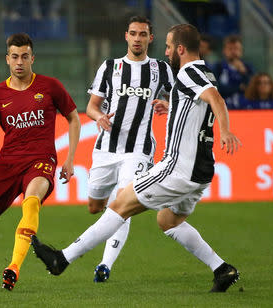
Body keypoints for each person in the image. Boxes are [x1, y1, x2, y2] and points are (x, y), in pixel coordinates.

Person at [32, 24, 242, 293]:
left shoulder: (188, 71)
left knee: (120, 204)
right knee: (168, 221)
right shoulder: (205, 70)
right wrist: (173, 105)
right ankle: (222, 269)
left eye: (168, 46)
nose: (165, 52)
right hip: (200, 171)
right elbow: (201, 101)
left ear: (180, 49)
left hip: (177, 168)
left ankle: (61, 259)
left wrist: (224, 129)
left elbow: (215, 99)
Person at [0, 32, 80, 292]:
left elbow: (73, 118)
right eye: (15, 57)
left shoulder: (50, 87)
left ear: (33, 58)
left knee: (31, 203)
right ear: (7, 59)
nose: (20, 62)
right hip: (8, 163)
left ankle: (14, 267)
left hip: (41, 160)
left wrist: (70, 159)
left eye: (25, 57)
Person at [85, 15, 174, 283]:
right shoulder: (110, 66)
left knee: (122, 203)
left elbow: (180, 100)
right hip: (106, 147)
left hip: (139, 149)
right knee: (94, 206)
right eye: (133, 34)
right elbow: (92, 105)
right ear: (126, 36)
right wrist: (97, 117)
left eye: (142, 34)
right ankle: (112, 215)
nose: (137, 38)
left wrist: (169, 106)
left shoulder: (161, 68)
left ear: (150, 38)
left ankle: (105, 265)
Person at [213, 35, 254, 109]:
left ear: (241, 51)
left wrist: (244, 73)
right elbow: (217, 89)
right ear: (224, 51)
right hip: (224, 107)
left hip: (245, 108)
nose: (233, 52)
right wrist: (239, 88)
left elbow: (252, 89)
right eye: (230, 49)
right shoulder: (218, 67)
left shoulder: (248, 67)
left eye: (236, 49)